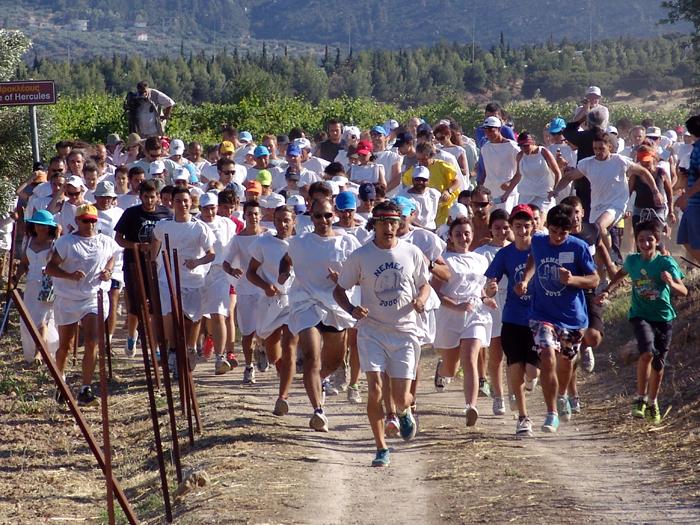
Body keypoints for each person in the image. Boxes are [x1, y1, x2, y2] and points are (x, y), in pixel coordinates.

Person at [333, 200, 430, 467]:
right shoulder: (361, 256)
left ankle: (405, 410)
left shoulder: (412, 252)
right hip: (372, 330)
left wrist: (421, 300)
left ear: (400, 224)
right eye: (383, 222)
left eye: (393, 222)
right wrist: (352, 309)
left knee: (400, 398)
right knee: (374, 389)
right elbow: (339, 290)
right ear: (373, 225)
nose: (389, 227)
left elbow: (425, 285)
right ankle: (381, 448)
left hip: (405, 331)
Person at [515, 204, 599, 432]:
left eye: (563, 233)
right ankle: (551, 412)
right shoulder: (539, 242)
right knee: (547, 356)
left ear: (570, 230)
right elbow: (533, 259)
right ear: (547, 228)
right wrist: (525, 279)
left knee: (566, 362)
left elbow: (594, 280)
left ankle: (562, 394)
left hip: (572, 316)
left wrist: (572, 280)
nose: (558, 237)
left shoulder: (578, 247)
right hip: (542, 313)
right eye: (554, 231)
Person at [595, 220, 687, 424]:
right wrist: (607, 290)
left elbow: (683, 291)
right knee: (646, 351)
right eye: (641, 240)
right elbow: (621, 273)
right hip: (640, 314)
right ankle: (640, 398)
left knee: (659, 363)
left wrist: (670, 283)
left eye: (650, 240)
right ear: (636, 242)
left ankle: (652, 402)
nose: (645, 244)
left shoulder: (666, 263)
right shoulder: (633, 261)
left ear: (657, 241)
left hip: (663, 316)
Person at [285, 198, 361, 432]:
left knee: (334, 360)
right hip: (306, 302)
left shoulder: (347, 243)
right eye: (318, 216)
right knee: (312, 356)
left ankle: (320, 380)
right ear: (311, 216)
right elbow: (286, 260)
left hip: (336, 306)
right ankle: (318, 410)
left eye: (327, 215)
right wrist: (281, 274)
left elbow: (359, 274)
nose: (323, 220)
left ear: (334, 215)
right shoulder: (299, 243)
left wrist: (343, 280)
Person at [45, 204, 118, 406]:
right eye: (85, 220)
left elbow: (112, 256)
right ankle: (60, 382)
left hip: (93, 297)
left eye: (93, 221)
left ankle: (86, 388)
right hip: (68, 298)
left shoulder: (105, 241)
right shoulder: (66, 242)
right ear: (77, 221)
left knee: (93, 340)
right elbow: (50, 268)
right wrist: (69, 275)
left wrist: (108, 272)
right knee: (66, 347)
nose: (89, 225)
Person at [432, 216, 497, 427]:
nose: (463, 237)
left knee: (470, 358)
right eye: (458, 234)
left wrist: (487, 297)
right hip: (450, 314)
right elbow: (435, 292)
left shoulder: (480, 259)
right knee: (451, 367)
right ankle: (442, 370)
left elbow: (481, 288)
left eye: (467, 233)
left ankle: (471, 406)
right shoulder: (444, 260)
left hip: (476, 313)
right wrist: (455, 305)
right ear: (450, 237)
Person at [553, 131, 663, 252]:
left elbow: (643, 172)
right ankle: (604, 267)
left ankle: (611, 254)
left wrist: (655, 191)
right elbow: (569, 177)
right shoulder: (587, 163)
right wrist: (556, 190)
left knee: (599, 226)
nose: (598, 152)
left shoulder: (620, 161)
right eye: (595, 148)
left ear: (609, 147)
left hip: (616, 205)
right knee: (596, 241)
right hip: (596, 206)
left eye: (601, 148)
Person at [485, 204, 540, 437]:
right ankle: (523, 418)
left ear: (533, 226)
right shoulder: (505, 254)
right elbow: (488, 285)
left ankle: (525, 388)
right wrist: (491, 288)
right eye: (518, 226)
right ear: (512, 228)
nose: (522, 230)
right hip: (513, 317)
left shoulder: (542, 248)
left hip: (539, 318)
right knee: (515, 365)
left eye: (526, 225)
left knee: (533, 372)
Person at [151, 188, 215, 377]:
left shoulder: (200, 227)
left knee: (193, 319)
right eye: (178, 201)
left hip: (194, 279)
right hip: (168, 278)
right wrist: (154, 260)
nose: (182, 204)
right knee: (170, 313)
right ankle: (172, 350)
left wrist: (197, 262)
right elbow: (155, 239)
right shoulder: (163, 225)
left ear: (191, 202)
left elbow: (211, 253)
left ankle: (190, 348)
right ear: (172, 203)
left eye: (185, 201)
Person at [247, 205, 299, 415]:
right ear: (274, 222)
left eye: (287, 220)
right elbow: (250, 273)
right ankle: (272, 359)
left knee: (289, 347)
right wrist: (264, 286)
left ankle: (282, 397)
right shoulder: (263, 243)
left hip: (295, 301)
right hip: (271, 302)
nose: (283, 224)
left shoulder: (302, 243)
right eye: (279, 220)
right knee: (273, 353)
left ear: (294, 221)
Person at [114, 180, 172, 356]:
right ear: (140, 197)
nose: (149, 201)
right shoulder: (131, 213)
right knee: (136, 306)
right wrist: (137, 246)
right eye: (145, 197)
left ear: (158, 197)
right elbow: (119, 238)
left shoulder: (166, 214)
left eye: (152, 197)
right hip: (134, 264)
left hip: (157, 266)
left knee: (156, 307)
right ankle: (132, 335)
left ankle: (156, 347)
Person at [223, 200, 269, 384]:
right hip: (245, 290)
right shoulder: (238, 239)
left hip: (266, 289)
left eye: (256, 213)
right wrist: (232, 271)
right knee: (248, 331)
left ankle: (263, 350)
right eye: (249, 214)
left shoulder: (269, 236)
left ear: (261, 215)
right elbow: (226, 262)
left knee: (265, 330)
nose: (253, 217)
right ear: (245, 216)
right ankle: (249, 366)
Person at [474, 209, 512, 415]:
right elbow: (476, 281)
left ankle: (515, 392)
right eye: (497, 228)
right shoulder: (481, 253)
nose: (502, 232)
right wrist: (484, 295)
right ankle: (498, 396)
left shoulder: (517, 249)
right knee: (496, 354)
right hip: (491, 306)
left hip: (513, 303)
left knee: (514, 353)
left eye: (506, 228)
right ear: (491, 228)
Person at [198, 192, 237, 375]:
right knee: (197, 315)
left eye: (212, 208)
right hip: (198, 273)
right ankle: (192, 348)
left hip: (220, 273)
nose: (209, 212)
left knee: (220, 313)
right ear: (200, 209)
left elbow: (234, 246)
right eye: (205, 208)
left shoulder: (227, 224)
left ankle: (220, 357)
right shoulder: (195, 225)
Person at [15, 210, 60, 364]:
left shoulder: (55, 243)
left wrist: (59, 235)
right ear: (33, 225)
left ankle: (39, 353)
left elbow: (58, 262)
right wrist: (15, 278)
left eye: (45, 225)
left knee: (43, 319)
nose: (41, 228)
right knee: (28, 319)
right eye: (38, 224)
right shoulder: (29, 240)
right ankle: (36, 350)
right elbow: (24, 263)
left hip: (47, 285)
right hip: (31, 285)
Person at [501, 131, 560, 214]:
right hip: (525, 196)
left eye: (526, 146)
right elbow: (518, 175)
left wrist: (555, 190)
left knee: (539, 221)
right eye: (521, 146)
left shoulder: (544, 152)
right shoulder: (520, 156)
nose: (524, 148)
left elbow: (557, 172)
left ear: (533, 143)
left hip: (544, 196)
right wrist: (506, 194)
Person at [401, 142, 459, 226]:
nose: (421, 162)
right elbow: (409, 186)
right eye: (419, 159)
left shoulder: (442, 166)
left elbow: (457, 181)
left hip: (443, 208)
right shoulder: (415, 170)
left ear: (431, 155)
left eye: (424, 159)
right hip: (424, 210)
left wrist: (448, 191)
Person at [479, 116, 520, 212]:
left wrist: (510, 183)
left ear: (499, 129)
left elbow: (521, 171)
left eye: (491, 130)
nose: (488, 133)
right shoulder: (485, 148)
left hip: (507, 193)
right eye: (486, 130)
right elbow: (486, 171)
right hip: (490, 192)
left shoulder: (513, 147)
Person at [676, 115, 700, 264]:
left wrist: (686, 196)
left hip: (697, 202)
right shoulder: (695, 149)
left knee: (693, 240)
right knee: (684, 237)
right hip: (693, 201)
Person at [398, 166, 440, 230]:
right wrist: (423, 229)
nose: (420, 182)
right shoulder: (403, 196)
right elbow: (406, 218)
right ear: (412, 179)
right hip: (412, 231)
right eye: (417, 179)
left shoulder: (434, 194)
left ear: (428, 180)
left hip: (431, 230)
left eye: (423, 180)